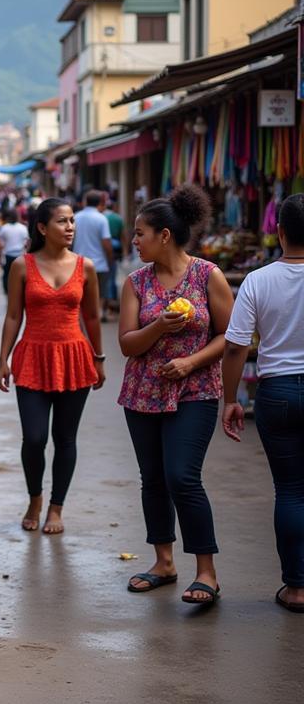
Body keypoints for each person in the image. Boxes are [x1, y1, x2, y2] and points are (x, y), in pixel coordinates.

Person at [118, 184, 233, 607]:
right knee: (153, 480)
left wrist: (190, 361)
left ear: (164, 235)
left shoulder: (208, 275)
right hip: (142, 393)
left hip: (196, 391)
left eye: (140, 233)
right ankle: (163, 562)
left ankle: (207, 571)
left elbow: (232, 335)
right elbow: (128, 343)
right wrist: (160, 328)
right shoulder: (136, 282)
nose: (134, 240)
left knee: (182, 476)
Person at [0, 199, 105, 535]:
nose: (70, 227)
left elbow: (92, 317)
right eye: (62, 221)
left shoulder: (85, 266)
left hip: (74, 357)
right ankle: (35, 498)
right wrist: (3, 358)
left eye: (72, 220)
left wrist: (99, 359)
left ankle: (56, 508)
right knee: (34, 437)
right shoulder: (21, 266)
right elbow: (14, 315)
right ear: (42, 228)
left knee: (65, 438)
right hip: (32, 357)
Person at [221, 193, 304, 612]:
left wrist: (230, 399)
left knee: (291, 490)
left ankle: (297, 588)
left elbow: (235, 347)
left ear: (279, 231)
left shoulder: (258, 279)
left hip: (280, 392)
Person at [73, 190, 113, 322]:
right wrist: (110, 260)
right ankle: (99, 313)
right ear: (100, 203)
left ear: (85, 201)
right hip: (100, 264)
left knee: (81, 291)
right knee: (100, 291)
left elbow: (70, 241)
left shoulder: (76, 217)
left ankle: (81, 315)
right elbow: (106, 242)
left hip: (79, 263)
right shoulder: (101, 219)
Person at [0, 210, 29, 294]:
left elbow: (1, 243)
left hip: (8, 254)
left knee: (7, 274)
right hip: (20, 254)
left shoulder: (4, 228)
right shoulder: (22, 228)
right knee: (20, 274)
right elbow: (26, 242)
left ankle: (7, 291)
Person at [104, 196, 126, 314]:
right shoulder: (118, 218)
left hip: (104, 251)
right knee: (112, 276)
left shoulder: (103, 217)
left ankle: (107, 304)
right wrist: (125, 251)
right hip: (115, 249)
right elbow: (123, 236)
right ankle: (112, 301)